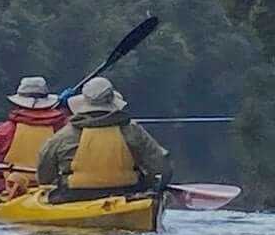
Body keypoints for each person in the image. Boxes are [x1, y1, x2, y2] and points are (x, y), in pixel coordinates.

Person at [35, 76, 172, 197]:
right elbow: (161, 167)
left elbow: (45, 174)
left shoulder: (64, 136)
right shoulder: (133, 130)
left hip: (75, 195)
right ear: (113, 100)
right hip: (127, 192)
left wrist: (49, 184)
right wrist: (158, 188)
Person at [0, 76, 68, 194]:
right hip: (53, 188)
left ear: (19, 102)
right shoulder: (64, 128)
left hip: (12, 188)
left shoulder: (4, 132)